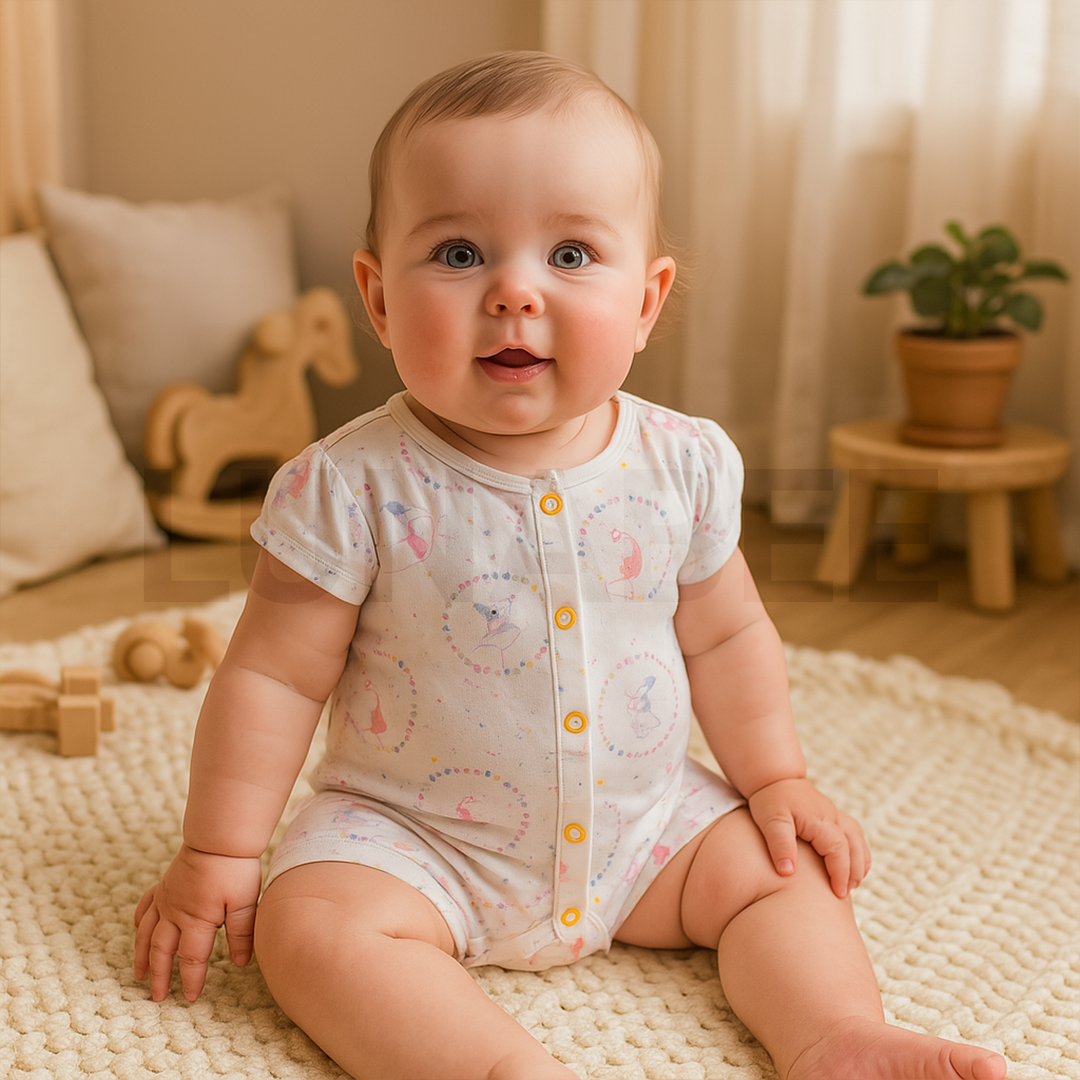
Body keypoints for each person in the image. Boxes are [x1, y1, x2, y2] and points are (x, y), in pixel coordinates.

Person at [134, 51, 1009, 1080]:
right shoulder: (351, 486)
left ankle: (835, 1035)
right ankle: (500, 1068)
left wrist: (776, 777)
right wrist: (222, 854)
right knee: (308, 930)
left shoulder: (681, 463)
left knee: (785, 872)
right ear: (376, 295)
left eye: (572, 255)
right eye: (458, 253)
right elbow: (274, 676)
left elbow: (726, 633)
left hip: (647, 833)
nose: (514, 292)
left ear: (646, 300)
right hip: (416, 840)